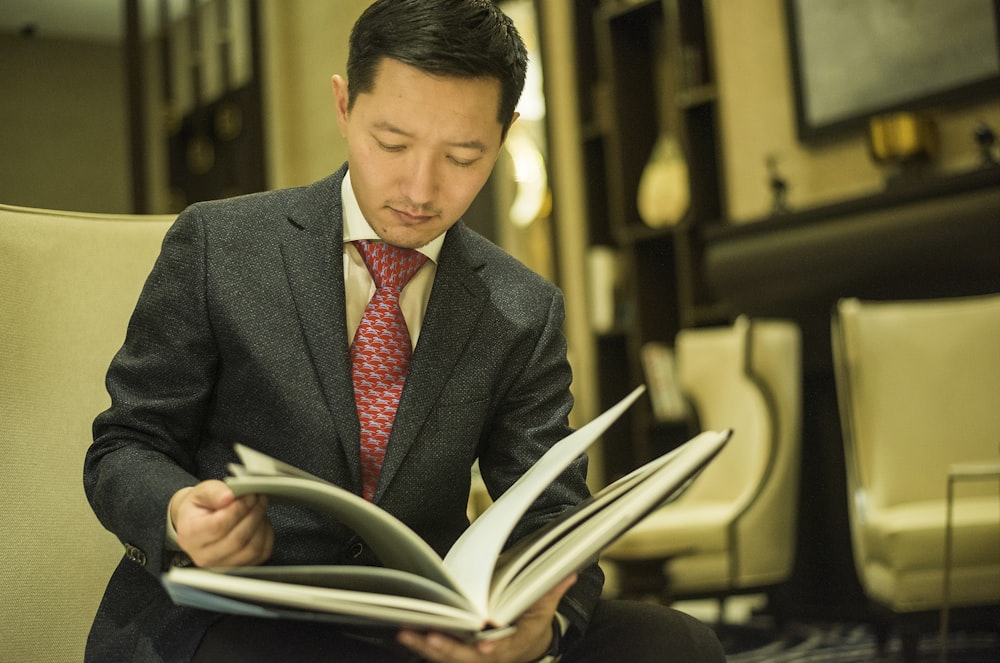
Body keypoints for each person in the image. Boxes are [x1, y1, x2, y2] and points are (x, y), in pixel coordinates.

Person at [83, 1, 727, 661]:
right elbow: (124, 446)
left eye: (463, 155)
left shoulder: (520, 308)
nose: (421, 187)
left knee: (677, 643)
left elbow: (552, 513)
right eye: (392, 143)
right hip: (232, 610)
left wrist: (541, 623)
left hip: (419, 623)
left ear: (502, 137)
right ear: (344, 106)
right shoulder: (221, 245)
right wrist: (183, 512)